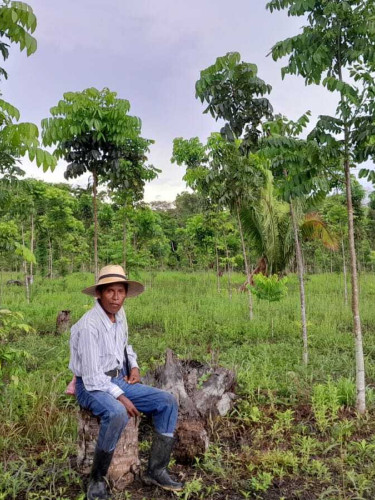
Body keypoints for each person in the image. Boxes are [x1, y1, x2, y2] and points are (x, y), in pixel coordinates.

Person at [69, 265, 183, 500]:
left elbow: (125, 346)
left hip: (118, 377)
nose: (116, 297)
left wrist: (134, 366)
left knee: (167, 401)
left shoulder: (119, 315)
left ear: (125, 294)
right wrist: (121, 396)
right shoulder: (89, 326)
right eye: (110, 291)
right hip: (92, 386)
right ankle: (97, 480)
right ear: (99, 293)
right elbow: (92, 377)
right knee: (118, 413)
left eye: (120, 291)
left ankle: (156, 470)